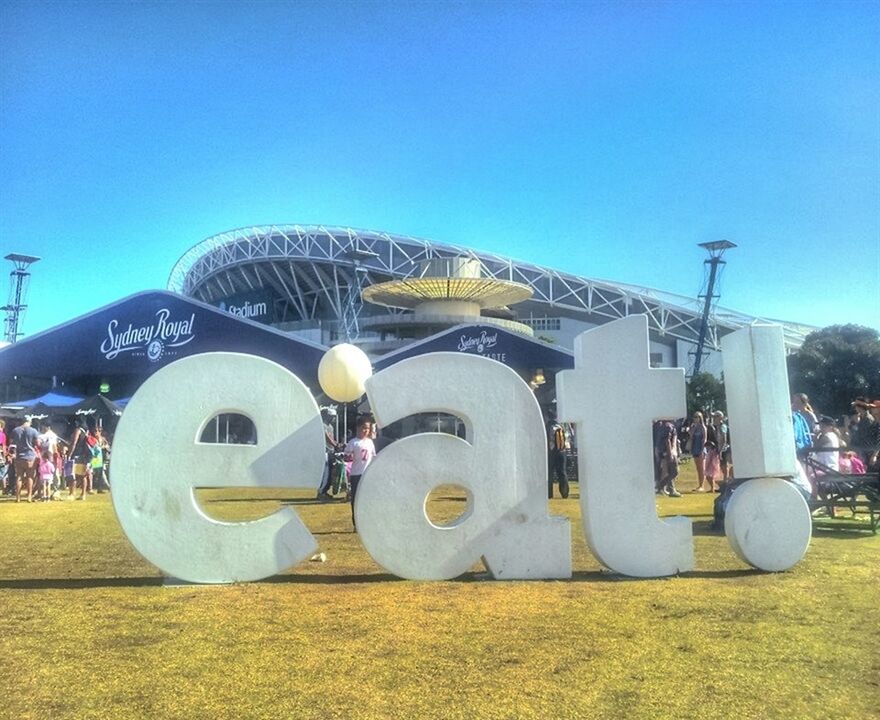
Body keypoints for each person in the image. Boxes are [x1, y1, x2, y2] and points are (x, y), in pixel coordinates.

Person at [344, 417, 377, 530]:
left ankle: (366, 521)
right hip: (356, 474)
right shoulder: (353, 442)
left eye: (367, 429)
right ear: (358, 428)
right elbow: (346, 457)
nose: (365, 431)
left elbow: (373, 457)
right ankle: (356, 524)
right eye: (363, 428)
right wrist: (349, 456)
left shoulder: (370, 442)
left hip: (367, 474)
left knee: (367, 499)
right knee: (356, 500)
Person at [11, 417, 40, 502]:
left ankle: (18, 497)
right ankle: (29, 496)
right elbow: (37, 443)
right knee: (30, 477)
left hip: (19, 456)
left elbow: (12, 443)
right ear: (29, 422)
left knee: (19, 476)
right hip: (30, 456)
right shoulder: (33, 430)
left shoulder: (15, 430)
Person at [316, 408, 339, 501]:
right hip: (324, 451)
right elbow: (327, 437)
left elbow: (332, 439)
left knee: (329, 473)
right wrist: (335, 445)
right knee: (325, 472)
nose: (333, 419)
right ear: (327, 416)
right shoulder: (323, 425)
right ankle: (321, 492)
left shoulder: (331, 427)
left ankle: (325, 491)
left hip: (330, 451)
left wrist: (337, 444)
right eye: (332, 417)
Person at [546, 411, 569, 499]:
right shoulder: (562, 426)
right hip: (562, 452)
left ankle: (549, 494)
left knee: (549, 474)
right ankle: (565, 493)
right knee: (562, 473)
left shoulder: (548, 426)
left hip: (552, 452)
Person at [689, 411, 708, 491]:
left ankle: (702, 486)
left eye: (697, 417)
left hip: (701, 448)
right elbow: (691, 436)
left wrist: (702, 449)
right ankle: (699, 485)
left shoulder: (703, 427)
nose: (695, 419)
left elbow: (704, 439)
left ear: (700, 418)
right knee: (697, 468)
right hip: (694, 448)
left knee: (701, 468)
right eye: (694, 417)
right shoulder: (694, 427)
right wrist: (692, 428)